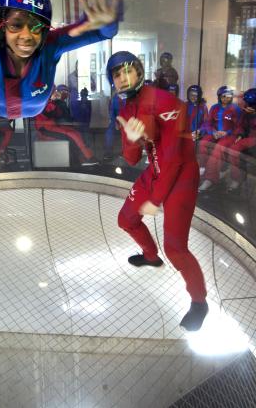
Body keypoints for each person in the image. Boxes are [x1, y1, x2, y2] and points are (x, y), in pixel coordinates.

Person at [106, 51, 208, 331]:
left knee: (176, 248)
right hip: (156, 171)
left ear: (139, 72)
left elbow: (175, 157)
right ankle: (151, 256)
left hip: (181, 176)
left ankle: (199, 302)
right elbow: (129, 159)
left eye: (128, 71)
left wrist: (155, 199)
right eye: (116, 74)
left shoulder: (166, 101)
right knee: (125, 219)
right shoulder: (126, 110)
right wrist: (130, 140)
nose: (123, 78)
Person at [34, 88, 99, 166]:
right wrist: (54, 100)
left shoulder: (49, 102)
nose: (56, 93)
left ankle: (85, 157)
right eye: (54, 91)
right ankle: (83, 158)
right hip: (44, 128)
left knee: (76, 133)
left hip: (51, 125)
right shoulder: (40, 101)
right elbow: (49, 113)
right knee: (71, 134)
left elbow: (58, 114)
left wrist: (57, 100)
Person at [198, 85, 241, 192]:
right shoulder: (215, 107)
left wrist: (227, 132)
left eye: (228, 96)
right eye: (223, 96)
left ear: (231, 97)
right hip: (215, 133)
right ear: (219, 97)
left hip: (229, 135)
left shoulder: (235, 109)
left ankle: (210, 179)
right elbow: (208, 123)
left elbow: (239, 126)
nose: (225, 99)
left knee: (217, 149)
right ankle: (203, 167)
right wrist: (213, 132)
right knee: (203, 143)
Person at [224, 87, 256, 191]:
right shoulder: (244, 111)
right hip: (246, 138)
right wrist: (240, 135)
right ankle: (237, 178)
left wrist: (254, 114)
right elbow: (240, 125)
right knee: (233, 149)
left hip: (253, 138)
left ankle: (237, 179)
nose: (247, 105)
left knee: (235, 149)